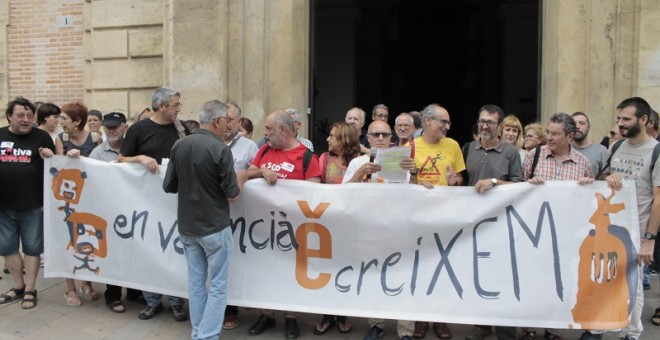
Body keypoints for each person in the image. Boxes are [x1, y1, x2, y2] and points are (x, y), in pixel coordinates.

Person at [581, 97, 659, 340]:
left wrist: (649, 239)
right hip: (611, 225)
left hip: (637, 230)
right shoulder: (615, 147)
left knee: (632, 284)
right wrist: (609, 178)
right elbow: (602, 178)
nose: (620, 123)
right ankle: (597, 328)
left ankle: (631, 333)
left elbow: (659, 198)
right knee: (602, 277)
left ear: (644, 120)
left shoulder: (656, 151)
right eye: (619, 118)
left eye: (626, 118)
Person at [163, 99, 240, 340]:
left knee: (196, 283)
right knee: (217, 286)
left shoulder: (180, 145)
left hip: (188, 226)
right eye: (226, 121)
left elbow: (169, 185)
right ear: (217, 121)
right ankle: (206, 336)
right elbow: (232, 194)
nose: (228, 126)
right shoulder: (221, 149)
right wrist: (244, 178)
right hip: (214, 226)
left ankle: (199, 332)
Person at [245, 109, 321, 339]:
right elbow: (248, 174)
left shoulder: (307, 157)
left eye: (268, 128)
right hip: (264, 226)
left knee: (292, 273)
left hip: (295, 229)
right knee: (266, 271)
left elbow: (314, 191)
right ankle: (266, 314)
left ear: (283, 130)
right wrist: (261, 171)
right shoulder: (264, 150)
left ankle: (291, 317)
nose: (264, 133)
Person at [341, 120, 418, 340]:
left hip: (397, 228)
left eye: (385, 134)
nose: (381, 139)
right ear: (368, 138)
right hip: (368, 229)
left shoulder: (401, 160)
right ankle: (376, 324)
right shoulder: (358, 162)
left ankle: (405, 330)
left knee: (403, 276)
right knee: (374, 277)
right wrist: (360, 174)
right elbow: (342, 195)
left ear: (391, 138)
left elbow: (414, 196)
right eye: (376, 135)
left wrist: (414, 174)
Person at [118, 86, 189, 321]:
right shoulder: (138, 129)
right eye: (175, 105)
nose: (179, 108)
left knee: (176, 252)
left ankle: (177, 302)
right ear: (161, 106)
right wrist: (139, 157)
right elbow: (120, 160)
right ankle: (152, 301)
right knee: (150, 251)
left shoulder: (182, 129)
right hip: (147, 203)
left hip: (176, 202)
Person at [520, 113, 593, 340]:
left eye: (555, 134)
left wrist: (588, 186)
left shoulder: (583, 163)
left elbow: (591, 200)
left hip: (566, 235)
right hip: (536, 232)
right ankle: (528, 327)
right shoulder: (535, 155)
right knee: (533, 279)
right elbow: (520, 190)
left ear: (570, 136)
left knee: (560, 281)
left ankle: (553, 328)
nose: (549, 137)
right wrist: (529, 184)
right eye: (548, 132)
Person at [464, 104, 522, 340]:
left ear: (499, 126)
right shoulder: (469, 148)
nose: (484, 126)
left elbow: (520, 186)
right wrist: (454, 179)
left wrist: (496, 182)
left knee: (503, 276)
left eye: (489, 122)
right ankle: (482, 326)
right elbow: (464, 182)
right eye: (481, 121)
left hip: (502, 223)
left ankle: (506, 332)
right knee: (478, 274)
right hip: (473, 224)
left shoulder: (510, 152)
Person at [0, 97, 55, 310]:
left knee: (32, 248)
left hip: (33, 206)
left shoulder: (42, 137)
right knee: (7, 247)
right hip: (3, 206)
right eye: (21, 115)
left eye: (29, 116)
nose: (26, 119)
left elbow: (57, 167)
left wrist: (49, 156)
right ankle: (18, 286)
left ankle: (31, 289)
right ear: (9, 116)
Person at [88, 112, 143, 312]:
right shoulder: (97, 154)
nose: (111, 130)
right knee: (113, 253)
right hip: (109, 211)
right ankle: (112, 294)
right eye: (108, 127)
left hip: (134, 210)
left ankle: (135, 292)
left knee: (135, 251)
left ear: (124, 127)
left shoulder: (136, 149)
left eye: (116, 126)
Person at [313, 122, 360, 336]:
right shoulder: (324, 159)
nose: (328, 140)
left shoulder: (359, 162)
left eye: (333, 136)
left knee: (344, 270)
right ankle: (326, 315)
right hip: (327, 223)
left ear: (345, 140)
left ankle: (342, 315)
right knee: (326, 270)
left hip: (349, 224)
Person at [55, 102, 103, 307]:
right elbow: (57, 168)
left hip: (91, 197)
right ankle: (70, 289)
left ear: (76, 121)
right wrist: (66, 158)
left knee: (87, 238)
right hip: (68, 200)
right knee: (69, 240)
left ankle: (87, 283)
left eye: (64, 118)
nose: (60, 122)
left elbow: (101, 165)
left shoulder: (95, 138)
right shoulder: (61, 139)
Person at [221, 101, 258, 330]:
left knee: (235, 262)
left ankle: (231, 309)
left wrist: (243, 176)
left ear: (239, 122)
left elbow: (256, 172)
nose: (226, 123)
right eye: (223, 119)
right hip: (213, 214)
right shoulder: (209, 142)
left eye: (231, 120)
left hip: (241, 217)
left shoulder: (249, 146)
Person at [571, 112, 608, 180]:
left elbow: (605, 178)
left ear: (589, 127)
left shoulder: (601, 151)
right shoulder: (563, 148)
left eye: (582, 123)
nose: (577, 126)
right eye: (574, 124)